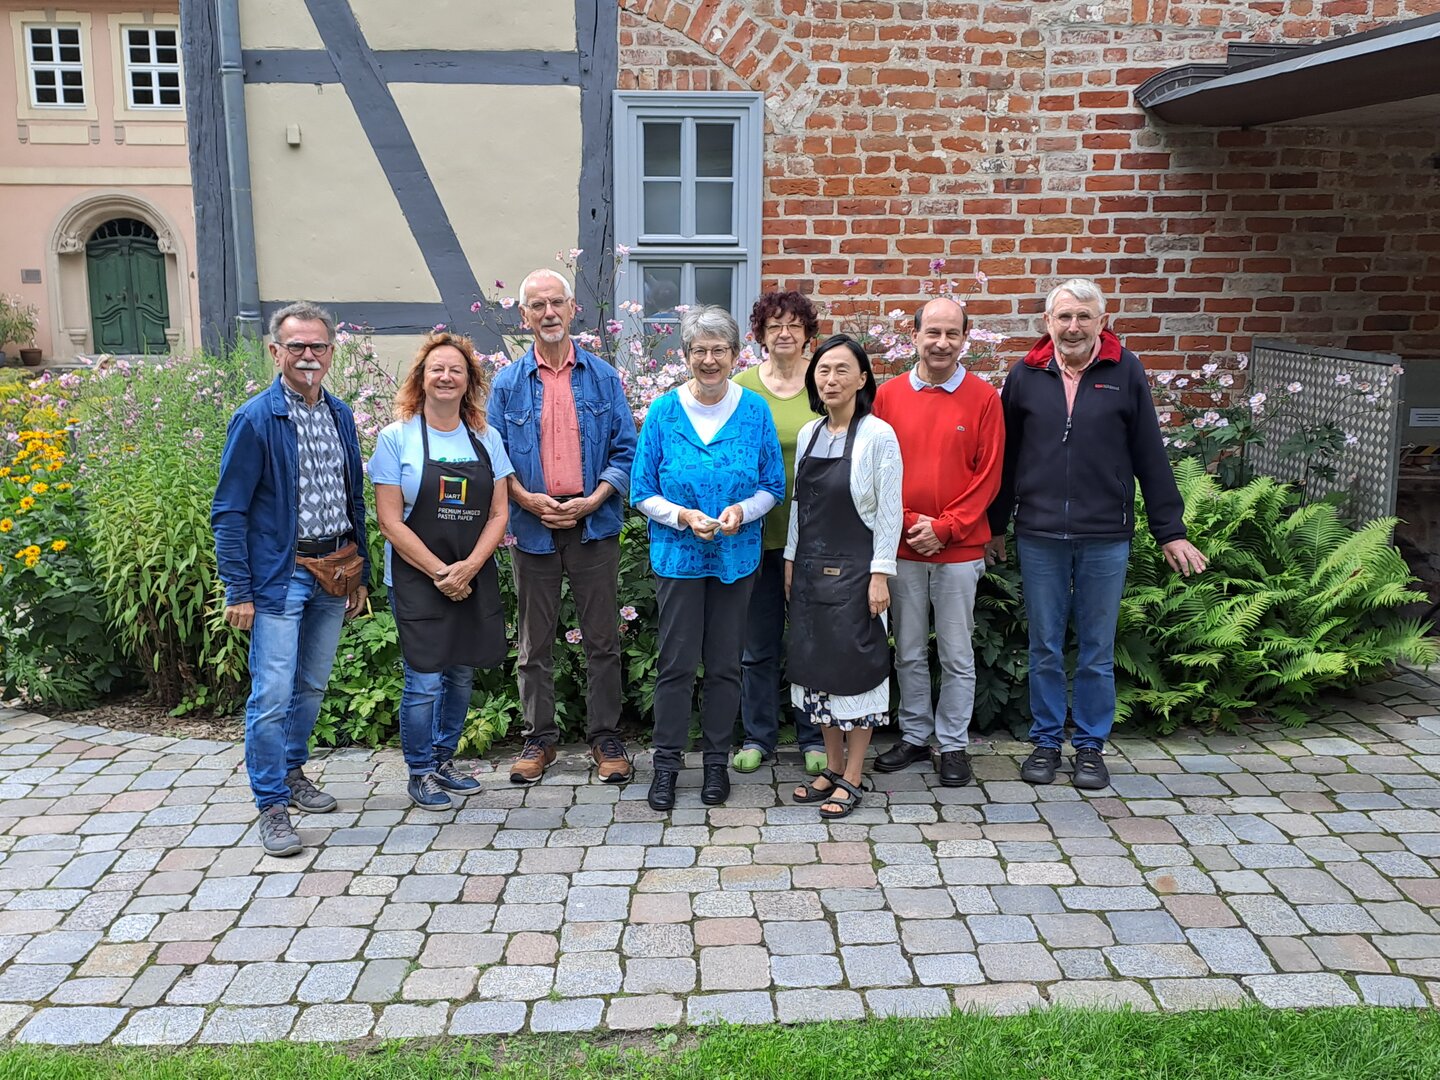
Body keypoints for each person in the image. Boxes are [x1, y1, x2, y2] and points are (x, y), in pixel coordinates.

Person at [986, 278, 1208, 790]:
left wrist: (1170, 530)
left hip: (1106, 534)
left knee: (1096, 648)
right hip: (1039, 533)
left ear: (1101, 322)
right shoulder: (1025, 375)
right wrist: (995, 526)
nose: (1073, 326)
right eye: (1064, 316)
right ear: (1048, 322)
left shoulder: (1125, 371)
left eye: (1084, 316)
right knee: (1044, 645)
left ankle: (1089, 747)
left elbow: (1149, 452)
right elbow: (1007, 457)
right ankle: (1045, 742)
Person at [212, 302, 369, 857]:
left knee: (312, 685)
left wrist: (360, 572)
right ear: (275, 351)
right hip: (282, 576)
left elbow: (353, 499)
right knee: (273, 692)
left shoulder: (340, 415)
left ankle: (293, 771)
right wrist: (239, 589)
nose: (307, 355)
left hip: (335, 569)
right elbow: (229, 511)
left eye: (317, 346)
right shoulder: (256, 419)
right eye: (296, 345)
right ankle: (272, 803)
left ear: (331, 352)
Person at [631, 305, 786, 811]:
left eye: (720, 350)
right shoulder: (663, 412)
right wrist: (682, 516)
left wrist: (743, 510)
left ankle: (716, 762)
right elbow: (641, 490)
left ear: (736, 354)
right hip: (678, 557)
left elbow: (773, 485)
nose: (710, 360)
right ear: (685, 355)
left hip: (735, 556)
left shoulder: (754, 410)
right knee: (675, 665)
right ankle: (667, 765)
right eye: (700, 350)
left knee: (724, 664)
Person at [487, 268, 637, 785]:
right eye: (537, 305)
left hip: (593, 524)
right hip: (532, 527)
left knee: (603, 639)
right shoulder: (507, 384)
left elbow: (626, 450)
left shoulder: (603, 378)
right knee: (534, 642)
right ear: (524, 315)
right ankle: (539, 739)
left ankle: (605, 737)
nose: (548, 313)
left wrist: (594, 499)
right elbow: (493, 457)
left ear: (573, 309)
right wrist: (526, 499)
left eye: (556, 303)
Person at [370, 333, 513, 809]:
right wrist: (441, 573)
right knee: (425, 680)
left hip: (471, 574)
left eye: (456, 370)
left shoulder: (486, 438)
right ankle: (420, 770)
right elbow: (389, 521)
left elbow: (499, 513)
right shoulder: (396, 438)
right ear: (421, 378)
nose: (446, 377)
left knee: (462, 674)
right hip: (417, 578)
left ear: (469, 381)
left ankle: (443, 758)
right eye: (437, 369)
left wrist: (468, 568)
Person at [871, 296, 1005, 787]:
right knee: (907, 649)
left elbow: (989, 476)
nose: (942, 343)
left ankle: (952, 744)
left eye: (952, 333)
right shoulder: (887, 397)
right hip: (903, 546)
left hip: (960, 549)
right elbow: (876, 471)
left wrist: (946, 528)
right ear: (915, 336)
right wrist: (910, 523)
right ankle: (913, 734)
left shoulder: (984, 398)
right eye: (933, 332)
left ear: (964, 339)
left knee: (956, 652)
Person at [785, 335, 902, 818]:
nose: (830, 380)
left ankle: (853, 774)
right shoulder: (810, 434)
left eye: (841, 370)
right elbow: (800, 506)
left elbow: (890, 513)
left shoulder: (879, 436)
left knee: (856, 671)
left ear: (861, 379)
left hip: (858, 574)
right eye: (823, 370)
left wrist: (880, 575)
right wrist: (790, 559)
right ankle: (832, 767)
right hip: (810, 573)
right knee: (819, 672)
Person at [731, 291, 827, 776]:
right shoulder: (742, 387)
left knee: (811, 643)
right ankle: (759, 736)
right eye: (774, 326)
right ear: (761, 336)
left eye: (793, 325)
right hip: (756, 535)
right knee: (758, 646)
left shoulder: (824, 381)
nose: (784, 333)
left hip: (816, 538)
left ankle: (814, 736)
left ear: (808, 333)